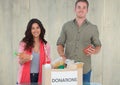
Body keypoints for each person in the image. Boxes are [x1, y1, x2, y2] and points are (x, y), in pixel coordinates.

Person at [57, 0, 101, 84]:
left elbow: (98, 45)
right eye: (79, 7)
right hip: (68, 68)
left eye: (84, 7)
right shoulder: (66, 26)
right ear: (75, 9)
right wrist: (62, 55)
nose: (81, 9)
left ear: (87, 10)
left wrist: (95, 51)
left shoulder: (93, 28)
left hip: (85, 69)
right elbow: (60, 43)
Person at [17, 18, 50, 84]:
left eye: (37, 27)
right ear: (30, 30)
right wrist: (25, 59)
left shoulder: (46, 45)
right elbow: (20, 62)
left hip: (40, 77)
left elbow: (48, 62)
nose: (35, 30)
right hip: (26, 76)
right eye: (33, 28)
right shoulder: (24, 43)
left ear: (41, 29)